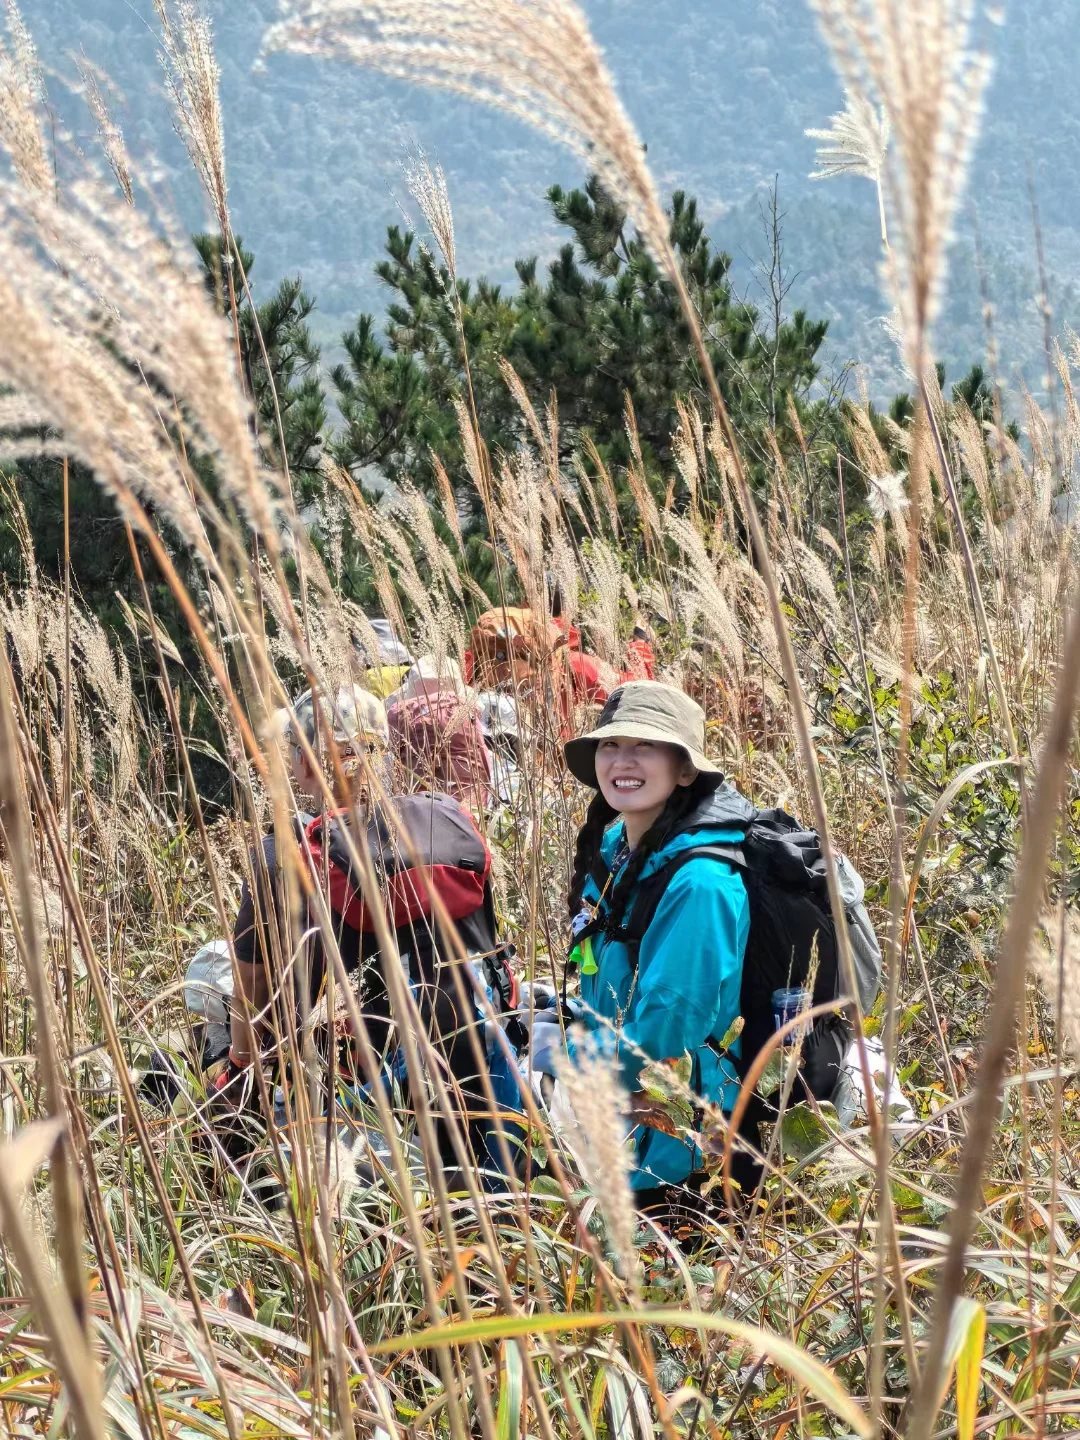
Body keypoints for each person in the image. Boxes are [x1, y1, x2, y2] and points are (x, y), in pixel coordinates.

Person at [222, 683, 513, 1182]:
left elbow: (252, 1007)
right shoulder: (444, 819)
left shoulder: (281, 856)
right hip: (476, 1082)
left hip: (350, 1101)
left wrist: (235, 1076)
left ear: (307, 763)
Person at [557, 680, 753, 1222]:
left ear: (685, 769)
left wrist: (568, 1065)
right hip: (627, 1128)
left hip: (682, 1149)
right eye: (610, 745)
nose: (624, 761)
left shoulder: (701, 884)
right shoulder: (620, 850)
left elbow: (664, 1039)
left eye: (645, 746)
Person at [386, 655, 493, 813]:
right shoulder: (467, 711)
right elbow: (485, 763)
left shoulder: (399, 714)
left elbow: (389, 764)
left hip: (418, 813)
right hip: (470, 810)